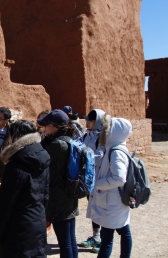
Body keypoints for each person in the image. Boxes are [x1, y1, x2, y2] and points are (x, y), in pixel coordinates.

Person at [0, 120, 50, 257]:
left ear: (15, 137)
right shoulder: (43, 158)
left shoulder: (16, 165)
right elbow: (46, 195)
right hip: (37, 222)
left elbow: (6, 204)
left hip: (17, 228)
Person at [87, 114, 133, 258]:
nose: (102, 132)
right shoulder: (112, 148)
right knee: (121, 231)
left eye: (106, 129)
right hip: (112, 200)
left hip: (113, 200)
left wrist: (97, 185)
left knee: (109, 237)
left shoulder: (116, 152)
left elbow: (119, 178)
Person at [38, 109, 79, 258]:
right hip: (69, 194)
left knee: (65, 242)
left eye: (46, 125)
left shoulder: (57, 145)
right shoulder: (69, 139)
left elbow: (40, 159)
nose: (44, 128)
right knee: (70, 239)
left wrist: (45, 139)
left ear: (55, 126)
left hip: (58, 197)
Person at [80, 109, 106, 253]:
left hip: (99, 178)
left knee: (100, 208)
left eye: (90, 120)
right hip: (89, 178)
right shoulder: (86, 135)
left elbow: (99, 156)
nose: (87, 122)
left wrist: (84, 160)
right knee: (93, 207)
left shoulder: (102, 137)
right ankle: (96, 236)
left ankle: (104, 239)